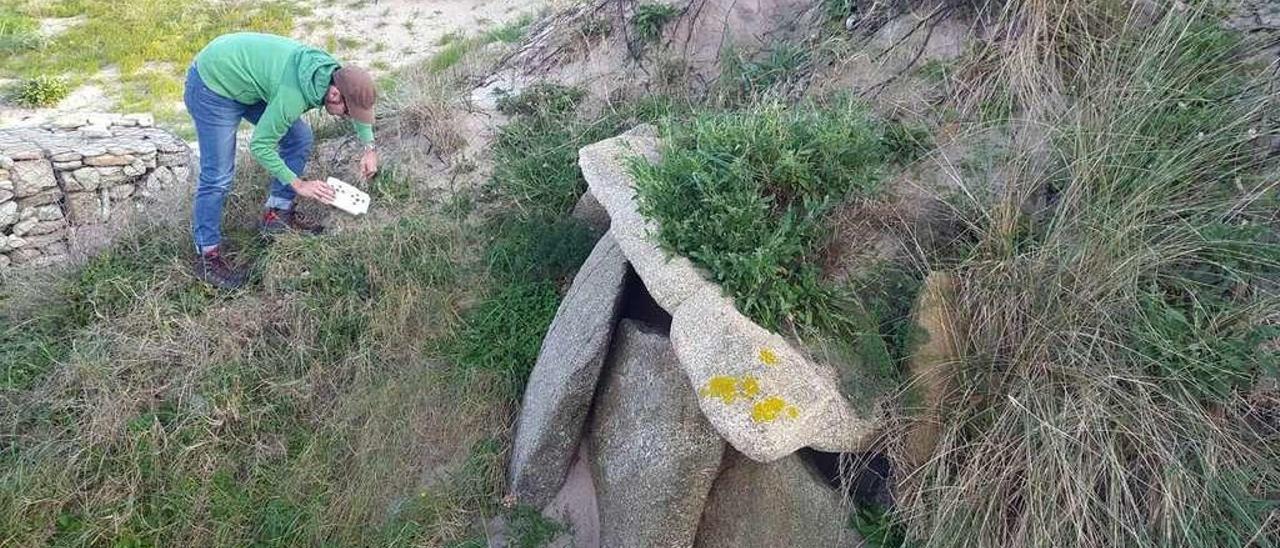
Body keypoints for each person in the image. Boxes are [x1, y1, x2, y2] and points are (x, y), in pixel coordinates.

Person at [184, 32, 379, 289]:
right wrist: (298, 184)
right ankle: (207, 257)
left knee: (300, 137)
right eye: (348, 112)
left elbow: (355, 104)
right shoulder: (293, 96)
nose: (347, 117)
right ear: (334, 95)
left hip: (245, 79)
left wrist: (369, 147)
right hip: (213, 84)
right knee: (218, 176)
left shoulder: (334, 73)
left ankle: (275, 215)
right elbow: (260, 146)